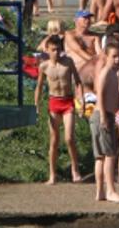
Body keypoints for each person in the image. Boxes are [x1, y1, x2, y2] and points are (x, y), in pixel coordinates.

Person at [35, 35, 83, 184]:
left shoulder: (68, 62)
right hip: (54, 102)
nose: (56, 52)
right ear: (47, 50)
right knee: (54, 140)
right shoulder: (44, 66)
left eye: (58, 49)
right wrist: (36, 105)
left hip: (68, 102)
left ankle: (75, 170)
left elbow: (78, 82)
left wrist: (81, 101)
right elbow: (39, 87)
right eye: (53, 50)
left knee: (69, 138)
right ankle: (52, 174)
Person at [91, 41, 119, 202]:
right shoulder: (105, 72)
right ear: (106, 56)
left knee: (101, 157)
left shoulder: (114, 73)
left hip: (107, 114)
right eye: (114, 57)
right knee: (109, 154)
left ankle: (100, 191)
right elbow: (99, 95)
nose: (117, 60)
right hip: (102, 115)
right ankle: (111, 190)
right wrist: (105, 117)